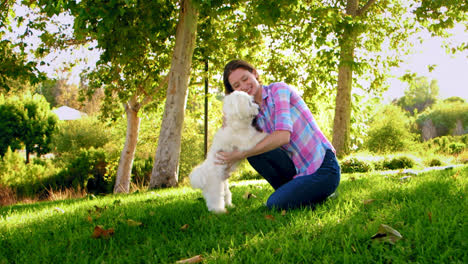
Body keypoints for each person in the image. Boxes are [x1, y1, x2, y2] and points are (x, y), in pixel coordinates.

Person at [216, 59, 340, 210]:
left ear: (255, 74)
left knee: (274, 203)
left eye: (245, 79)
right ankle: (301, 195)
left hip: (323, 167)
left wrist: (240, 153)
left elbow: (283, 136)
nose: (244, 86)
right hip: (298, 170)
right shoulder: (251, 114)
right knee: (254, 151)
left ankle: (307, 195)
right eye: (237, 86)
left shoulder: (278, 90)